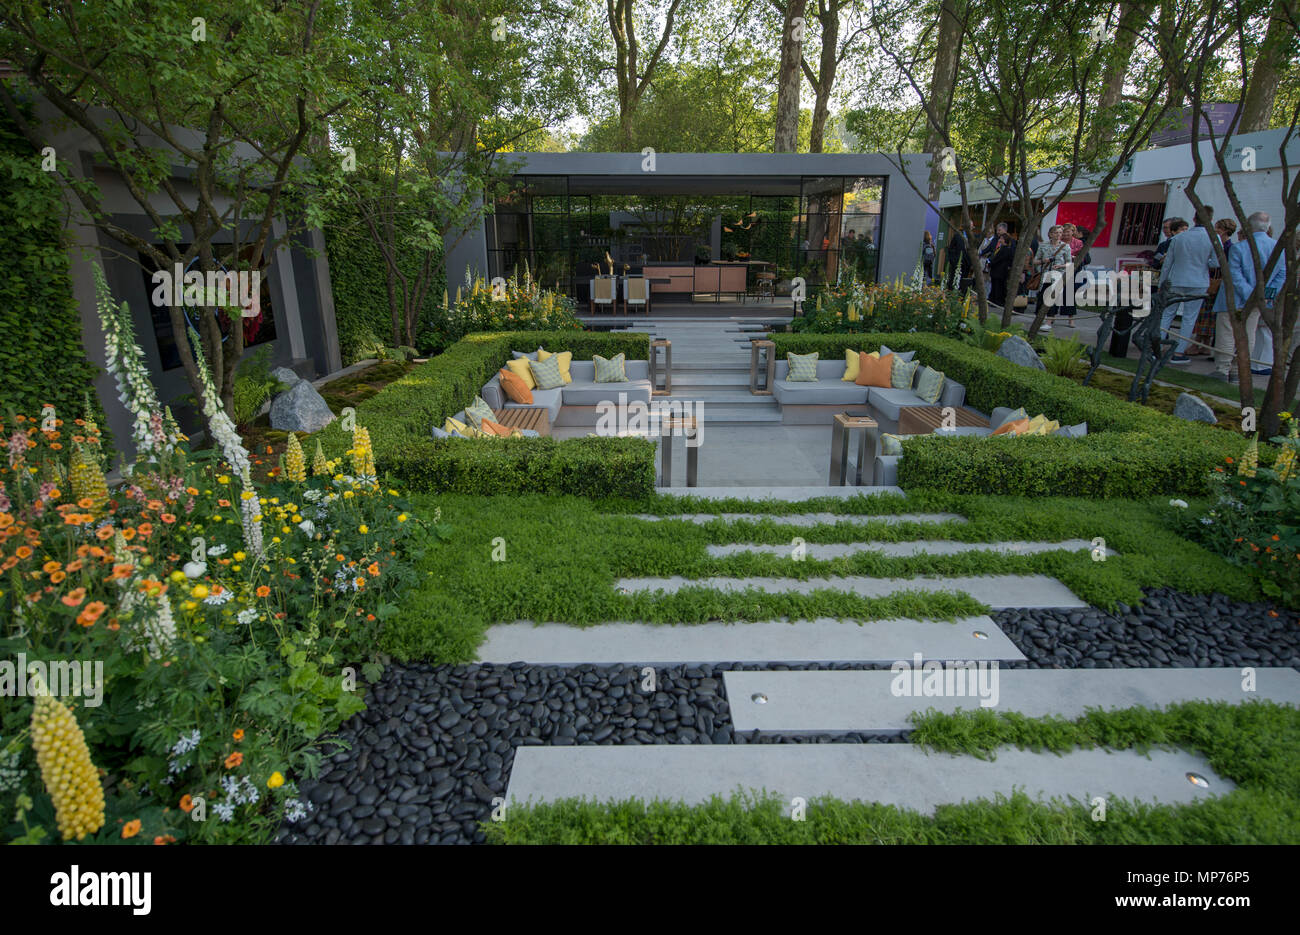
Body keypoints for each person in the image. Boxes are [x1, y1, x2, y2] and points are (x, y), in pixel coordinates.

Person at [1212, 211, 1287, 379]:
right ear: (1267, 227)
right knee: (1249, 333)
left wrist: (1249, 295)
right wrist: (1263, 295)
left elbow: (1235, 275)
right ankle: (1239, 370)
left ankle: (1222, 369)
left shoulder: (1240, 247)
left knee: (1227, 332)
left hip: (1234, 299)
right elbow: (1282, 275)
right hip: (1259, 300)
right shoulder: (1277, 248)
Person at [1158, 212, 1220, 364]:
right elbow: (1216, 263)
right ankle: (1179, 353)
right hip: (1198, 281)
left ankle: (1156, 349)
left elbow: (1167, 264)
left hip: (1177, 278)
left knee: (1167, 314)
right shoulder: (1212, 237)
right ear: (1210, 219)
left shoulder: (1180, 237)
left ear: (1194, 219)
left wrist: (1162, 283)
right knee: (1189, 318)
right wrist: (1204, 261)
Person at [1033, 225, 1072, 326]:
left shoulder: (1065, 246)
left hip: (1058, 276)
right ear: (1050, 234)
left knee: (1053, 297)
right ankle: (1040, 319)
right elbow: (1035, 261)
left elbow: (1070, 263)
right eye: (1056, 232)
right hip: (1045, 275)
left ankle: (1049, 321)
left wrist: (1060, 265)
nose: (1058, 235)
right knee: (1042, 297)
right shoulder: (1043, 245)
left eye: (1060, 233)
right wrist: (1043, 261)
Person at [986, 223, 1017, 308]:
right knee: (995, 285)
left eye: (1001, 239)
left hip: (1000, 271)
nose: (999, 239)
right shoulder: (1001, 248)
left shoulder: (1006, 249)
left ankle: (997, 301)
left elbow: (998, 259)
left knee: (999, 286)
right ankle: (993, 299)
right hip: (996, 270)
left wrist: (991, 263)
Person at [945, 221, 971, 290]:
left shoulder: (972, 238)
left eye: (972, 227)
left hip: (966, 265)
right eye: (969, 226)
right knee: (953, 281)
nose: (971, 228)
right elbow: (950, 249)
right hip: (956, 264)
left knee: (962, 284)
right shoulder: (957, 236)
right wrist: (953, 261)